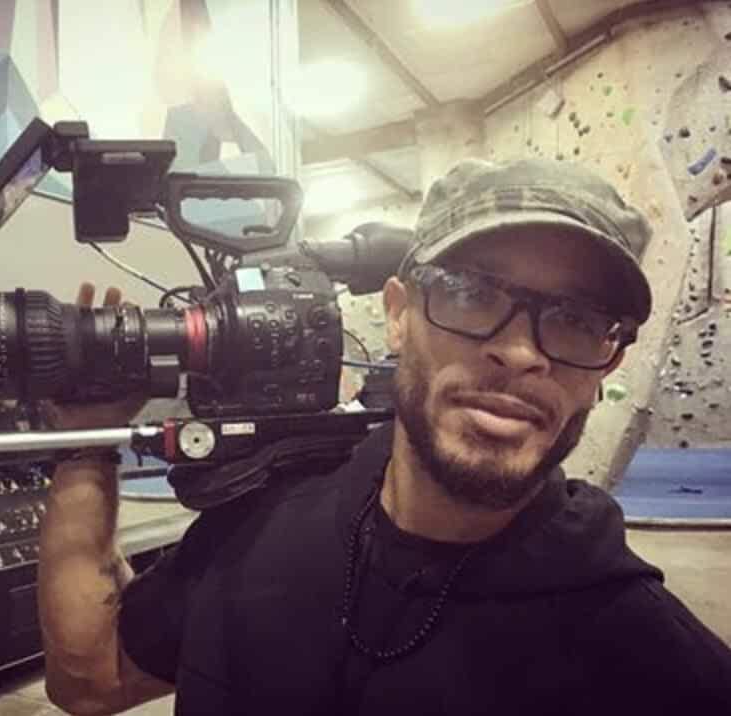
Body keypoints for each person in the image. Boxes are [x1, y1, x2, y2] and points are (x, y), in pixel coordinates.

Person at [38, 159, 731, 715]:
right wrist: (83, 445)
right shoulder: (261, 521)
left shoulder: (652, 660)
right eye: (472, 293)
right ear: (398, 315)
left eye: (577, 320)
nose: (521, 352)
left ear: (608, 364)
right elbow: (91, 678)